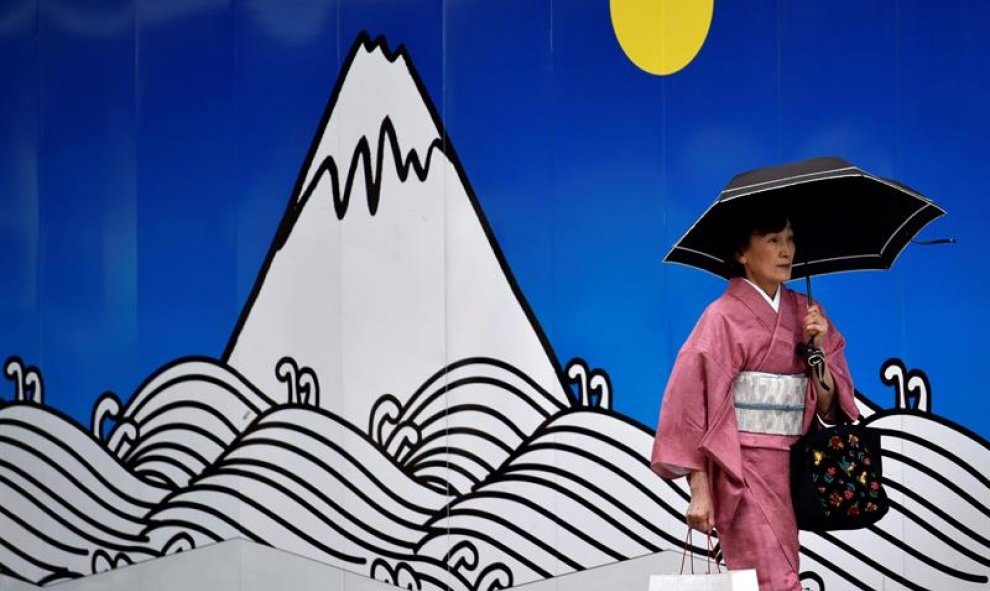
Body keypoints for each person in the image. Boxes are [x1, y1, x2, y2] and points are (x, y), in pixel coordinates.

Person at [651, 209, 860, 591]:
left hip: (793, 466)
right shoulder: (721, 318)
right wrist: (700, 492)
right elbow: (692, 406)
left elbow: (831, 405)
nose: (786, 251)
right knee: (773, 579)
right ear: (742, 253)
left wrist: (817, 351)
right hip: (743, 468)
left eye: (791, 239)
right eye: (773, 240)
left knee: (774, 573)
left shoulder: (806, 314)